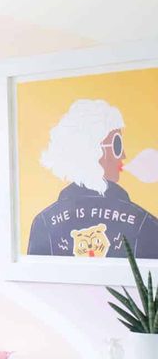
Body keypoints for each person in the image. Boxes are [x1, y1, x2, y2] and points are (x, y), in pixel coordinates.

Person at [27, 98, 158, 258]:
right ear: (92, 150)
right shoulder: (146, 224)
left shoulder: (43, 223)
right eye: (117, 145)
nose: (123, 155)